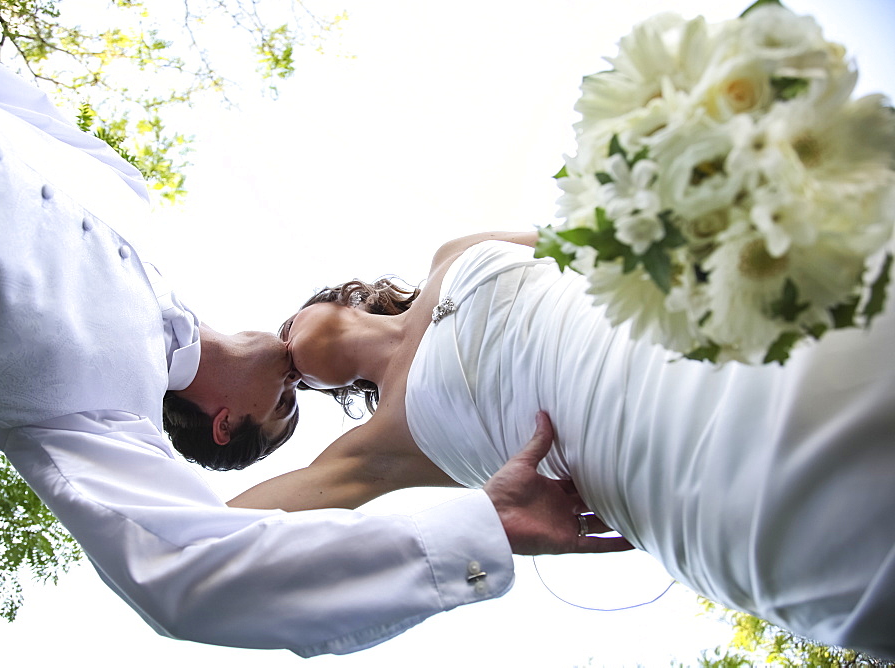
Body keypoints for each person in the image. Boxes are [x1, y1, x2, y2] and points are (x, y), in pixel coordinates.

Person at [0, 0, 632, 656]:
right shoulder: (121, 251)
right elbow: (208, 550)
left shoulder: (99, 380)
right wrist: (483, 530)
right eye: (294, 399)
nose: (298, 377)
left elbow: (195, 561)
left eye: (289, 401)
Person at [230, 232, 895, 658]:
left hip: (730, 340)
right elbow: (216, 535)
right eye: (295, 391)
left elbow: (616, 240)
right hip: (690, 481)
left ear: (333, 297)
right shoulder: (378, 448)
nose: (291, 356)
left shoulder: (453, 255)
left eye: (287, 326)